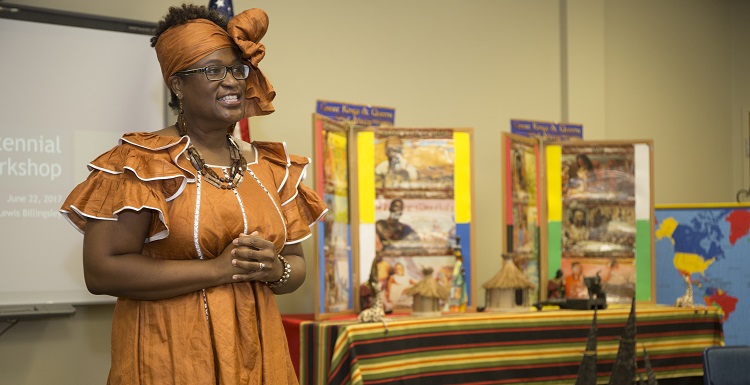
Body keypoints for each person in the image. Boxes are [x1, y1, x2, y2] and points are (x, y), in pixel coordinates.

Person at [59, 5, 326, 384]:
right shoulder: (140, 162)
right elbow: (102, 271)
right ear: (178, 84)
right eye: (213, 70)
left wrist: (275, 268)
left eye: (237, 69)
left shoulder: (272, 167)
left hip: (258, 353)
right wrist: (216, 270)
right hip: (170, 353)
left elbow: (295, 265)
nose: (232, 81)